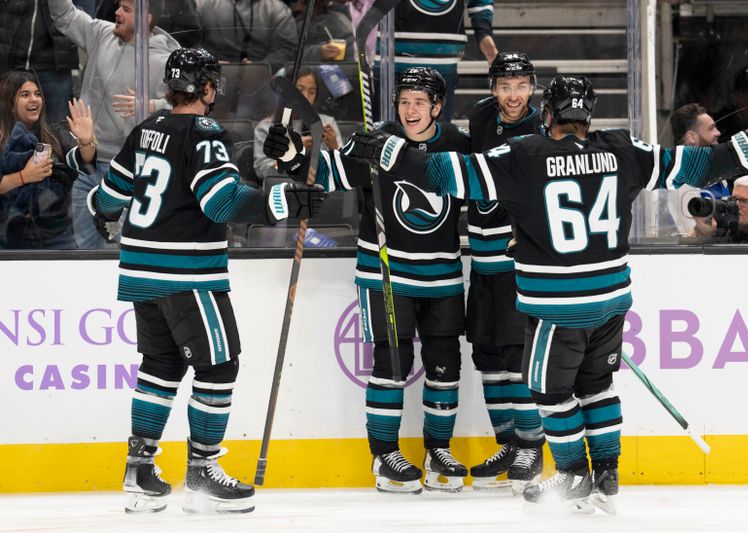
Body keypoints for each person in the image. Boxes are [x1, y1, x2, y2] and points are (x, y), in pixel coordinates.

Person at [343, 75, 748, 513]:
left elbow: (444, 173)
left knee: (548, 390)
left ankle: (572, 471)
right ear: (588, 115)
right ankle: (606, 472)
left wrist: (389, 152)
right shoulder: (623, 149)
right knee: (598, 387)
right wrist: (746, 149)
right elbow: (694, 164)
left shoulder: (523, 155)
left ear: (546, 113)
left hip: (558, 306)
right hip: (611, 300)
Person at [88, 48, 325, 514]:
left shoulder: (147, 129)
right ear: (209, 89)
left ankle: (139, 471)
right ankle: (201, 471)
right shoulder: (205, 133)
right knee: (219, 368)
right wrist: (282, 203)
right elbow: (219, 203)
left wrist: (100, 211)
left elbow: (110, 196)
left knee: (160, 366)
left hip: (141, 271)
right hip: (187, 273)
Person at [264, 67, 473, 494]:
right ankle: (385, 456)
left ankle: (438, 451)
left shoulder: (457, 145)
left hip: (442, 276)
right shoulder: (374, 141)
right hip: (385, 274)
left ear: (437, 107)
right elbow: (327, 174)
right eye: (404, 101)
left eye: (420, 102)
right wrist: (290, 156)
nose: (410, 109)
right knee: (391, 365)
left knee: (445, 366)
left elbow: (481, 190)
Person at [464, 51, 545, 494]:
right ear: (492, 89)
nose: (513, 96)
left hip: (518, 264)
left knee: (518, 360)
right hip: (482, 260)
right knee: (488, 358)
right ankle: (508, 443)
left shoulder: (541, 128)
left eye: (521, 86)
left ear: (531, 87)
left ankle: (532, 446)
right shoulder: (479, 118)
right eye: (505, 86)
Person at [48, 0, 180, 249]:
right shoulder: (101, 33)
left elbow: (189, 107)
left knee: (128, 254)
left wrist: (151, 104)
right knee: (86, 256)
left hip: (129, 172)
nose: (116, 13)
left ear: (146, 19)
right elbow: (64, 15)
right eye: (119, 6)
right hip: (87, 163)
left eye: (126, 10)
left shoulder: (168, 59)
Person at [0, 70, 96, 249]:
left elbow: (85, 162)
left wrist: (86, 142)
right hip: (8, 236)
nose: (34, 100)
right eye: (25, 95)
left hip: (57, 236)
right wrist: (23, 176)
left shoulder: (54, 135)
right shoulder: (2, 140)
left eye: (37, 94)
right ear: (9, 103)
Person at [376, 0, 498, 121]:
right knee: (386, 136)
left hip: (441, 60)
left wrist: (485, 36)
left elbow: (480, 3)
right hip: (388, 60)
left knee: (438, 137)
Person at [253, 66, 343, 181]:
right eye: (300, 90)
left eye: (312, 92)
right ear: (285, 93)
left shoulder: (327, 122)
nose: (305, 97)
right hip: (283, 188)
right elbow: (262, 171)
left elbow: (343, 170)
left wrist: (334, 146)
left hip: (320, 187)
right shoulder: (266, 127)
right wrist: (291, 154)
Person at [669, 103, 728, 238]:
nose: (718, 133)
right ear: (692, 137)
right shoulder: (682, 182)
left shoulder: (714, 171)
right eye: (711, 128)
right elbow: (695, 238)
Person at [193, 0, 298, 72]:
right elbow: (190, 40)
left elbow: (286, 47)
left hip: (260, 78)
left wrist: (261, 68)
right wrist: (208, 61)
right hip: (208, 72)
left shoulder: (277, 10)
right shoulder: (203, 4)